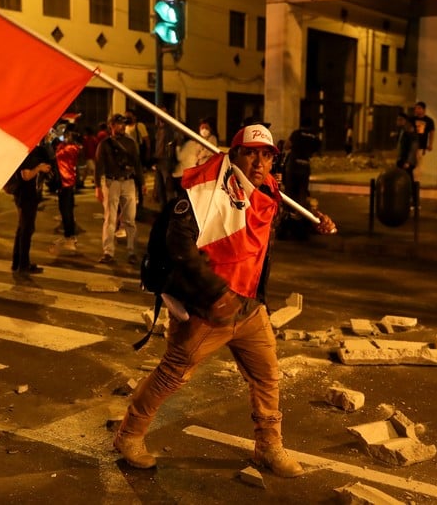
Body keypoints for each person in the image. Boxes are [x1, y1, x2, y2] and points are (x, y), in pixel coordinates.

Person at [113, 123, 304, 479]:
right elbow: (180, 248)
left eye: (266, 155)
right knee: (171, 375)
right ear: (233, 156)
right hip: (208, 311)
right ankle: (129, 435)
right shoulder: (201, 197)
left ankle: (268, 446)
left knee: (266, 378)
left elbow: (276, 227)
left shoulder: (267, 195)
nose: (259, 163)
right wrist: (216, 295)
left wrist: (317, 221)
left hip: (249, 309)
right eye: (250, 153)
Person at [95, 113, 144, 265]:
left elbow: (137, 163)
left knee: (130, 219)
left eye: (124, 124)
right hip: (112, 182)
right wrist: (98, 186)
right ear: (112, 126)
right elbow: (99, 166)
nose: (122, 126)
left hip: (128, 182)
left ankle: (131, 251)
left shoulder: (131, 143)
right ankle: (108, 252)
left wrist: (141, 183)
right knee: (110, 219)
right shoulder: (104, 144)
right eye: (118, 124)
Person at [10, 144, 53, 275]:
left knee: (23, 229)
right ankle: (23, 265)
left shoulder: (32, 152)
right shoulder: (26, 153)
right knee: (26, 230)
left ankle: (17, 262)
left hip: (28, 197)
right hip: (25, 197)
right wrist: (39, 168)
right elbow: (26, 175)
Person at [53, 128, 81, 250]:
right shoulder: (67, 147)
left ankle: (69, 235)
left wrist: (59, 143)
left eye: (67, 135)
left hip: (66, 182)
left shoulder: (71, 149)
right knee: (65, 208)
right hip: (65, 182)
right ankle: (69, 233)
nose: (64, 137)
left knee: (66, 210)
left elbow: (56, 155)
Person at [151, 112, 177, 209]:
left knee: (168, 186)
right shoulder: (158, 129)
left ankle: (171, 209)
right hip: (158, 160)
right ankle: (163, 209)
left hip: (166, 161)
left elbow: (172, 146)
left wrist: (171, 161)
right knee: (160, 186)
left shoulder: (170, 130)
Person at [412, 101, 435, 180]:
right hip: (411, 144)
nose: (416, 110)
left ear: (424, 109)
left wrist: (430, 144)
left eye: (419, 108)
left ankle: (416, 181)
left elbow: (432, 133)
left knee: (419, 163)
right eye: (415, 108)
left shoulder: (429, 120)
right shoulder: (412, 119)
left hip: (421, 145)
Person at [396, 112, 419, 182]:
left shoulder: (410, 133)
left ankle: (412, 191)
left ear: (404, 120)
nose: (397, 122)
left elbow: (413, 148)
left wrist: (408, 162)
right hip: (402, 159)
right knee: (403, 178)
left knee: (408, 178)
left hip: (406, 160)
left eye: (399, 120)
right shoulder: (402, 131)